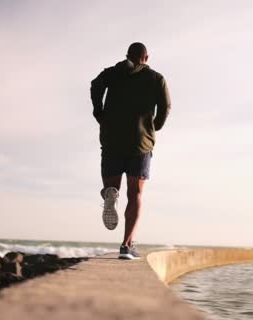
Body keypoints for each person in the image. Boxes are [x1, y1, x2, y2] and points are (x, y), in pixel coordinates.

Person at [90, 42, 171, 260]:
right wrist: (155, 126)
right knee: (135, 194)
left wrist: (100, 113)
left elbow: (94, 86)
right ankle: (126, 246)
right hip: (140, 143)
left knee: (111, 187)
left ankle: (110, 194)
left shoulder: (111, 73)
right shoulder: (156, 78)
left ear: (127, 55)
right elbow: (165, 107)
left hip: (111, 139)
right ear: (146, 57)